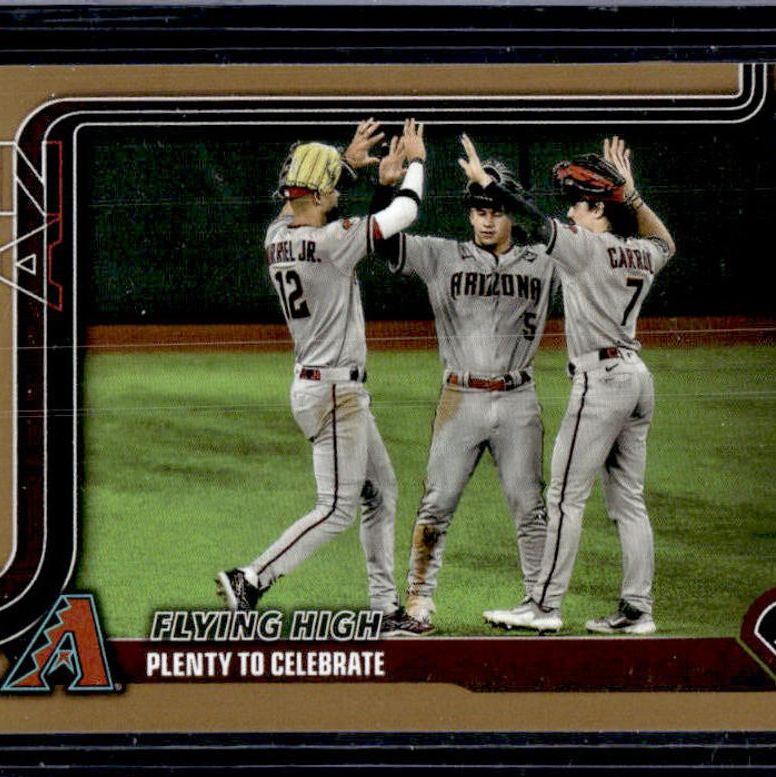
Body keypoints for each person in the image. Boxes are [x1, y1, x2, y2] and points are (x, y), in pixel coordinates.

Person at [217, 119, 433, 638]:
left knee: (381, 491)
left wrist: (344, 164)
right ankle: (252, 578)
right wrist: (417, 163)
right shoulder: (333, 241)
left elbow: (304, 199)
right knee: (336, 508)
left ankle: (384, 610)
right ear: (315, 195)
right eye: (331, 185)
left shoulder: (277, 235)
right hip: (336, 392)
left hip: (320, 384)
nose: (338, 192)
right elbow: (404, 212)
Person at [465, 134, 676, 634]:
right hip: (636, 379)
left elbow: (534, 221)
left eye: (579, 204)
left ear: (598, 210)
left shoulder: (585, 247)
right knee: (629, 501)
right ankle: (638, 610)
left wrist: (487, 184)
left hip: (600, 383)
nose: (571, 212)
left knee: (564, 498)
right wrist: (632, 196)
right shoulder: (640, 252)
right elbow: (667, 242)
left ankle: (542, 606)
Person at [373, 158, 555, 632]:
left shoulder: (544, 260)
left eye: (497, 210)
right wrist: (386, 189)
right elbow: (384, 241)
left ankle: (539, 602)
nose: (488, 220)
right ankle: (418, 600)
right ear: (470, 214)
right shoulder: (441, 255)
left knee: (530, 507)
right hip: (460, 397)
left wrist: (500, 189)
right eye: (479, 211)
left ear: (511, 212)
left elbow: (568, 238)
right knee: (437, 503)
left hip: (518, 398)